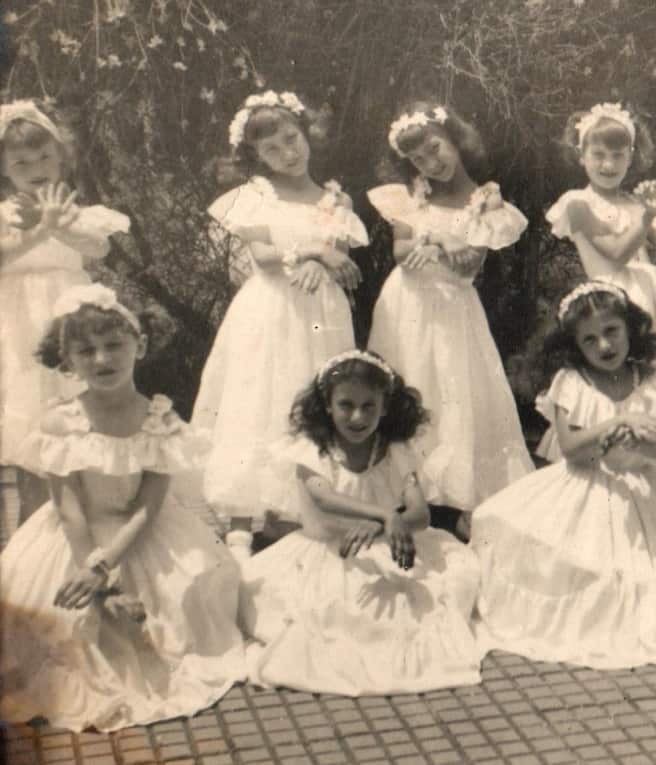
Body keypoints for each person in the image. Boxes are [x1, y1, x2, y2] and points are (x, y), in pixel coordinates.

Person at [1, 285, 243, 731]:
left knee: (173, 624)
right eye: (85, 350)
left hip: (141, 536)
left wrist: (107, 564)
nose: (101, 359)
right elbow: (68, 507)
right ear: (66, 359)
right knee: (60, 628)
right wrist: (94, 576)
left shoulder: (159, 420)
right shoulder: (61, 421)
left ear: (141, 345)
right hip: (73, 542)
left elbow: (150, 507)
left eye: (114, 345)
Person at [470, 281, 656, 669]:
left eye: (612, 331)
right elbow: (571, 449)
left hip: (645, 492)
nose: (604, 346)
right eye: (590, 340)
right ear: (575, 347)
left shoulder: (648, 380)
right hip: (586, 486)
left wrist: (641, 442)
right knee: (589, 570)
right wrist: (616, 423)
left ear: (630, 328)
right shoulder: (572, 382)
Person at [238, 350, 484, 695]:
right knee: (331, 612)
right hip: (327, 550)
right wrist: (384, 514)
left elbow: (419, 513)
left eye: (369, 406)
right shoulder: (314, 450)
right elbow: (324, 498)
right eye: (346, 405)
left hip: (385, 548)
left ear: (385, 407)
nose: (357, 416)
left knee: (410, 608)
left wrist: (383, 527)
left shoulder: (395, 450)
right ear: (327, 404)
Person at [193, 90, 368, 561]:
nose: (287, 153)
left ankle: (299, 514)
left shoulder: (334, 197)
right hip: (270, 309)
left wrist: (326, 262)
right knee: (258, 400)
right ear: (256, 157)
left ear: (305, 133)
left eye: (292, 139)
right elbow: (265, 259)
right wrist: (313, 253)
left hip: (321, 312)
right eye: (272, 149)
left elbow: (344, 258)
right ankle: (241, 522)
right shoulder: (256, 196)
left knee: (306, 399)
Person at [367, 101, 533, 538]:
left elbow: (469, 266)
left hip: (454, 309)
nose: (430, 163)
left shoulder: (484, 200)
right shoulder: (412, 194)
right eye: (418, 159)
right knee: (412, 388)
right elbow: (402, 254)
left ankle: (451, 501)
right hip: (405, 306)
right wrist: (436, 236)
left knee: (452, 397)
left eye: (435, 149)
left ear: (456, 139)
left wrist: (446, 246)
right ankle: (403, 492)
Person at [0, 99, 130, 520]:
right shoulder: (4, 213)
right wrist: (41, 229)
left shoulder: (76, 210)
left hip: (69, 317)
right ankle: (34, 533)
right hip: (17, 324)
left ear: (60, 156)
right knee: (29, 426)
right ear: (4, 169)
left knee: (80, 420)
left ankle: (85, 523)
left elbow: (98, 246)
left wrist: (59, 222)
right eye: (21, 162)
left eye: (44, 155)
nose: (36, 166)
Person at [545, 102, 656, 402]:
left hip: (654, 295)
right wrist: (647, 216)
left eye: (617, 156)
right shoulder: (578, 203)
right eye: (598, 155)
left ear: (630, 157)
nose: (608, 165)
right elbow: (617, 253)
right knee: (620, 376)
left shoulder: (634, 202)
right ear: (582, 157)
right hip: (611, 300)